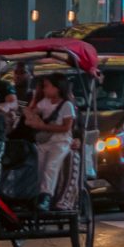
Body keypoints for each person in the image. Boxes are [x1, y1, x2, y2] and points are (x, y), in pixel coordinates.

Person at [23, 76, 77, 206]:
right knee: (38, 166)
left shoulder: (67, 105)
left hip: (61, 141)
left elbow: (66, 127)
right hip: (45, 141)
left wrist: (43, 126)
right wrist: (35, 97)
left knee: (50, 166)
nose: (45, 89)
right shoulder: (45, 102)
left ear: (56, 88)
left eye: (47, 86)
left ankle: (46, 196)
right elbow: (30, 112)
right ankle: (35, 195)